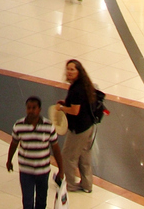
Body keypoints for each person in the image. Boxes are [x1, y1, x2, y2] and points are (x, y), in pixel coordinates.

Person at [53, 59, 97, 193]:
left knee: (68, 156)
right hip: (88, 126)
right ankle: (87, 185)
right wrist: (66, 104)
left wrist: (61, 108)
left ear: (79, 71)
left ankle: (70, 185)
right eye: (68, 69)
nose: (69, 72)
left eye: (73, 69)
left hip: (79, 129)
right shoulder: (84, 85)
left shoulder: (76, 89)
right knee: (84, 156)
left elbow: (75, 111)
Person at [6, 95, 58, 209]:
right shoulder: (19, 126)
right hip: (26, 171)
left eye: (34, 108)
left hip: (43, 171)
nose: (31, 110)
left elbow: (55, 148)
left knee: (41, 202)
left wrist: (61, 169)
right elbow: (14, 144)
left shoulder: (48, 126)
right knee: (27, 202)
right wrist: (9, 160)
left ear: (39, 109)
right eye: (29, 108)